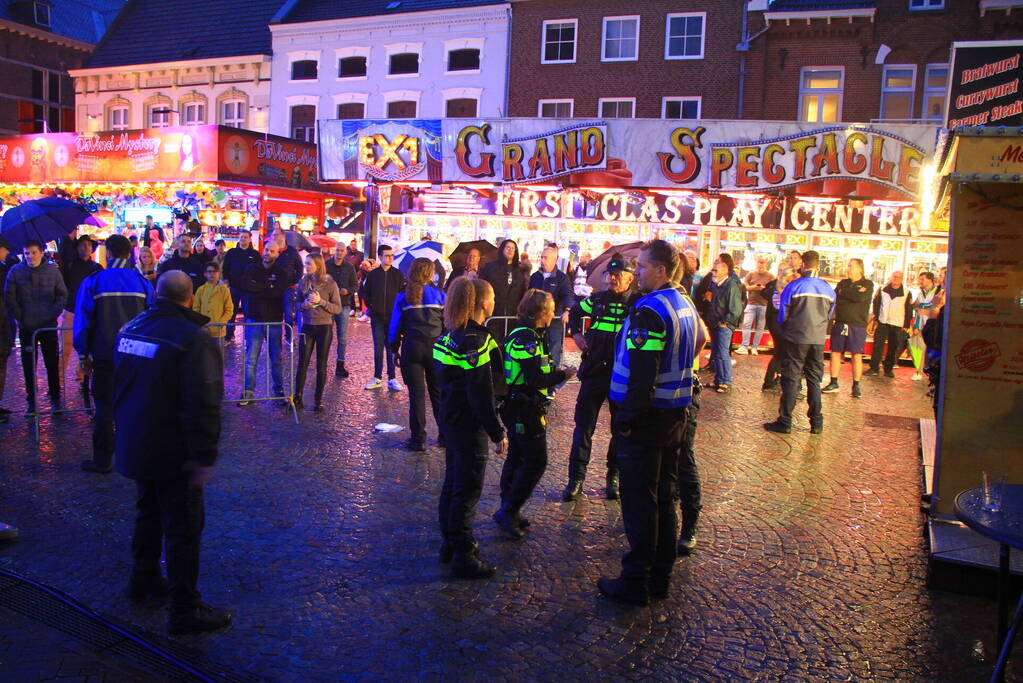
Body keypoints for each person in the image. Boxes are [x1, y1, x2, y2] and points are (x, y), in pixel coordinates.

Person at [112, 270, 230, 635]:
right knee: (183, 529)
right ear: (190, 298)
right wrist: (204, 456)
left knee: (147, 513)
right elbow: (204, 402)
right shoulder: (192, 339)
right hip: (173, 450)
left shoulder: (131, 328)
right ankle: (184, 608)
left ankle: (143, 579)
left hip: (137, 440)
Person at [601, 239, 706, 606]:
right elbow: (701, 340)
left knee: (640, 501)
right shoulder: (684, 303)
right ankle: (660, 576)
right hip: (675, 413)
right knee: (663, 497)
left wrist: (626, 421)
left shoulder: (650, 311)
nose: (636, 272)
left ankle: (635, 581)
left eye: (642, 267)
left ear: (661, 269)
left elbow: (642, 375)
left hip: (647, 419)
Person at [434, 277, 507, 579]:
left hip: (451, 419)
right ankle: (463, 553)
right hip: (468, 424)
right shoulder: (476, 340)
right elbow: (480, 392)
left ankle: (450, 543)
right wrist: (497, 431)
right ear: (484, 303)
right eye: (492, 299)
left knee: (453, 484)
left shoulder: (450, 335)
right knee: (466, 489)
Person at [494, 289, 573, 539]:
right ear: (541, 313)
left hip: (519, 405)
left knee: (517, 457)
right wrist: (563, 375)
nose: (554, 314)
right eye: (551, 309)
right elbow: (535, 378)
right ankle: (509, 509)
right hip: (523, 407)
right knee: (536, 461)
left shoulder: (527, 334)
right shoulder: (527, 339)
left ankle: (508, 509)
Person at [73, 235, 154, 474]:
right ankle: (136, 454)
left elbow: (83, 320)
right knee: (136, 405)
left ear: (107, 253)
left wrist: (82, 353)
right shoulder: (142, 283)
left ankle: (103, 459)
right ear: (129, 255)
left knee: (104, 406)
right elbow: (152, 319)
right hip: (135, 357)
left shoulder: (94, 282)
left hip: (105, 354)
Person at [563, 255, 637, 502]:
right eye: (610, 274)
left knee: (620, 428)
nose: (612, 279)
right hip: (595, 370)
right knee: (583, 427)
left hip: (621, 374)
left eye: (617, 275)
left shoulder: (637, 304)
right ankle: (576, 479)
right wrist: (576, 335)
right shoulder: (596, 300)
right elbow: (574, 312)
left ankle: (613, 478)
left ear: (629, 278)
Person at [764, 251, 835, 435]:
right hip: (817, 339)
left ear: (803, 264)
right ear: (818, 265)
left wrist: (787, 330)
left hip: (796, 338)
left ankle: (785, 420)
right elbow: (830, 315)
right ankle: (816, 422)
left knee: (791, 379)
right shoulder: (827, 289)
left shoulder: (795, 286)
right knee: (814, 380)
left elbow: (782, 314)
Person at [387, 258, 446, 451]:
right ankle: (444, 436)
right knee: (438, 394)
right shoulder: (440, 296)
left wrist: (394, 348)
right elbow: (448, 326)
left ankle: (418, 439)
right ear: (430, 273)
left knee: (417, 396)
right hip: (436, 350)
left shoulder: (403, 297)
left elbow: (394, 328)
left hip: (412, 349)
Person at [4, 239, 66, 411]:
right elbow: (10, 297)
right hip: (27, 326)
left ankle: (55, 396)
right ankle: (32, 399)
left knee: (51, 362)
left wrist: (52, 313)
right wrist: (20, 317)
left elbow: (61, 295)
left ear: (41, 253)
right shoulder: (16, 271)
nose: (30, 256)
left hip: (47, 325)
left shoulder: (52, 271)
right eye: (27, 253)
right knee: (28, 364)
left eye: (33, 252)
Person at [238, 241, 287, 405]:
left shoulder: (280, 272)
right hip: (254, 318)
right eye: (266, 250)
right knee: (251, 358)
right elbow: (244, 285)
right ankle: (248, 391)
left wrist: (258, 287)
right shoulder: (252, 268)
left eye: (272, 251)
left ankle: (279, 391)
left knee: (276, 359)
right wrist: (267, 286)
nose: (268, 253)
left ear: (277, 254)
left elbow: (277, 292)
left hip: (273, 321)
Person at [293, 253, 341, 411]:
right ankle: (297, 398)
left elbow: (337, 308)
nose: (306, 266)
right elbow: (297, 304)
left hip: (324, 327)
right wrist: (304, 305)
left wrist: (321, 301)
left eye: (309, 264)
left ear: (318, 265)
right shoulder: (304, 282)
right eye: (305, 263)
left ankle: (318, 400)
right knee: (303, 363)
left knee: (321, 365)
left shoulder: (330, 283)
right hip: (307, 326)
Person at [821, 258, 874, 398]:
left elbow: (860, 298)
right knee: (835, 352)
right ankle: (833, 382)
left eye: (851, 266)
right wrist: (847, 293)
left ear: (860, 269)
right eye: (848, 266)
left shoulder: (867, 284)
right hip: (840, 322)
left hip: (857, 325)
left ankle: (856, 385)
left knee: (856, 355)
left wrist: (844, 293)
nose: (848, 269)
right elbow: (835, 295)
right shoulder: (843, 283)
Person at [360, 244, 406, 391]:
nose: (390, 258)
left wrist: (399, 312)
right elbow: (365, 292)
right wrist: (372, 306)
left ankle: (392, 378)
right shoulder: (373, 275)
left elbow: (402, 295)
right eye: (387, 255)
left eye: (392, 255)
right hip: (378, 317)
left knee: (391, 347)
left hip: (393, 318)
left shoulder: (398, 275)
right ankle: (377, 377)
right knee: (378, 347)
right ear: (380, 257)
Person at [60, 235, 103, 377]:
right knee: (65, 347)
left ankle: (82, 378)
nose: (86, 248)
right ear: (77, 248)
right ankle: (58, 380)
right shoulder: (69, 267)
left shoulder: (97, 268)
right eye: (82, 245)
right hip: (71, 309)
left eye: (88, 245)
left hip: (90, 311)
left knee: (87, 348)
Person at [528, 245, 574, 369]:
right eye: (541, 257)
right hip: (536, 322)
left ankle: (552, 383)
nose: (542, 260)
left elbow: (568, 294)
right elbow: (529, 295)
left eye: (546, 258)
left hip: (554, 322)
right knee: (536, 352)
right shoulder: (535, 277)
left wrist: (567, 310)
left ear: (555, 260)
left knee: (553, 353)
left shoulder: (562, 278)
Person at [865, 271, 914, 379]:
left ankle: (888, 369)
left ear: (902, 279)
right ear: (891, 278)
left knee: (893, 347)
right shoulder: (882, 289)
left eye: (899, 277)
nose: (896, 279)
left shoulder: (906, 292)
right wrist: (876, 318)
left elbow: (909, 309)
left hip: (897, 323)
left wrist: (906, 324)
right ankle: (874, 368)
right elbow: (876, 303)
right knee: (877, 346)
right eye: (895, 277)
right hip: (883, 321)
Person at [707, 253, 742, 393]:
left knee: (722, 353)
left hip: (723, 325)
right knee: (716, 353)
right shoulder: (717, 285)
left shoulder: (731, 285)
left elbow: (735, 309)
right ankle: (719, 379)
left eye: (716, 270)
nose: (713, 272)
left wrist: (725, 322)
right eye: (713, 270)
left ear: (724, 271)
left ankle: (726, 381)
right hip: (716, 323)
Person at [480, 239, 527, 339]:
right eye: (508, 247)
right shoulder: (490, 267)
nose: (510, 250)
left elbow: (523, 290)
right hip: (494, 314)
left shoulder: (520, 270)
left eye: (513, 248)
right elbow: (482, 287)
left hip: (513, 315)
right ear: (502, 249)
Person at [762, 265, 798, 392]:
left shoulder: (779, 288)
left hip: (777, 324)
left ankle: (774, 379)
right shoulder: (781, 290)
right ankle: (769, 381)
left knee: (780, 353)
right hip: (780, 325)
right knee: (780, 353)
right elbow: (781, 309)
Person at [325, 242, 358, 377]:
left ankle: (340, 364)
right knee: (326, 335)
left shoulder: (349, 267)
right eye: (338, 250)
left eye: (342, 251)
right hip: (327, 305)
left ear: (345, 252)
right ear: (335, 251)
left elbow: (355, 285)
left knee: (342, 337)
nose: (339, 253)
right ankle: (323, 364)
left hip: (343, 305)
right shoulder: (326, 265)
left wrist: (347, 291)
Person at [221, 230, 259, 341]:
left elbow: (258, 270)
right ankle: (229, 336)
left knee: (248, 313)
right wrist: (227, 280)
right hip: (234, 286)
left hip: (248, 289)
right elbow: (226, 267)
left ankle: (248, 337)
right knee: (231, 313)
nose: (243, 239)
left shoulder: (254, 254)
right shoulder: (232, 252)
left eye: (245, 237)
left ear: (249, 239)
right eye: (241, 237)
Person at [270, 229, 303, 341]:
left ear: (283, 236)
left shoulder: (292, 251)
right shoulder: (271, 250)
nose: (274, 237)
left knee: (288, 313)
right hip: (274, 287)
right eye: (273, 235)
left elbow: (299, 267)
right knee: (275, 313)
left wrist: (295, 280)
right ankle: (276, 337)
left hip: (288, 287)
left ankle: (289, 336)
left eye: (276, 235)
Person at [737, 256, 772, 355]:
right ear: (756, 263)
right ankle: (744, 346)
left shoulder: (770, 276)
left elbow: (773, 288)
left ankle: (754, 347)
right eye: (759, 262)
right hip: (751, 303)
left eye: (762, 262)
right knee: (747, 324)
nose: (761, 264)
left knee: (760, 327)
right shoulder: (751, 274)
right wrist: (753, 287)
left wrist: (763, 288)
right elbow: (745, 286)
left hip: (764, 304)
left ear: (766, 263)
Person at [909, 271, 939, 381]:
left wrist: (926, 311)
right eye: (920, 279)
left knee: (930, 349)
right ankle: (918, 371)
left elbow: (938, 308)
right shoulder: (921, 293)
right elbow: (916, 307)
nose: (920, 282)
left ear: (930, 280)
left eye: (923, 279)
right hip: (920, 324)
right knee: (916, 346)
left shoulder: (937, 292)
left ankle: (931, 372)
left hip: (931, 326)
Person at [192, 262, 234, 341]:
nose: (212, 274)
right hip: (204, 330)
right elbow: (196, 309)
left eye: (214, 271)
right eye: (209, 272)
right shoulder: (201, 290)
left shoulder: (224, 290)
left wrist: (221, 322)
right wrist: (201, 324)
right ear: (205, 274)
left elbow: (229, 309)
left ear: (218, 273)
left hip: (219, 331)